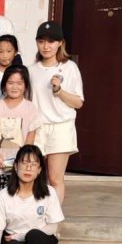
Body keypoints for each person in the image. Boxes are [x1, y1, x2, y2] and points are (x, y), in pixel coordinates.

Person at [28, 21, 84, 204]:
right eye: (41, 41)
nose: (46, 46)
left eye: (51, 41)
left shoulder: (70, 67)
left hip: (61, 127)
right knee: (33, 176)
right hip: (37, 128)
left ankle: (54, 218)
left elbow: (78, 102)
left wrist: (59, 91)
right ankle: (35, 214)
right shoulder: (31, 70)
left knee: (55, 178)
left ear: (60, 43)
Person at [0, 65, 40, 198]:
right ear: (4, 84)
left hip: (20, 167)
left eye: (19, 83)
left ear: (26, 86)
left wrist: (23, 160)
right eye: (10, 83)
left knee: (18, 200)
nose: (14, 87)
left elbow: (30, 136)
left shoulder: (30, 108)